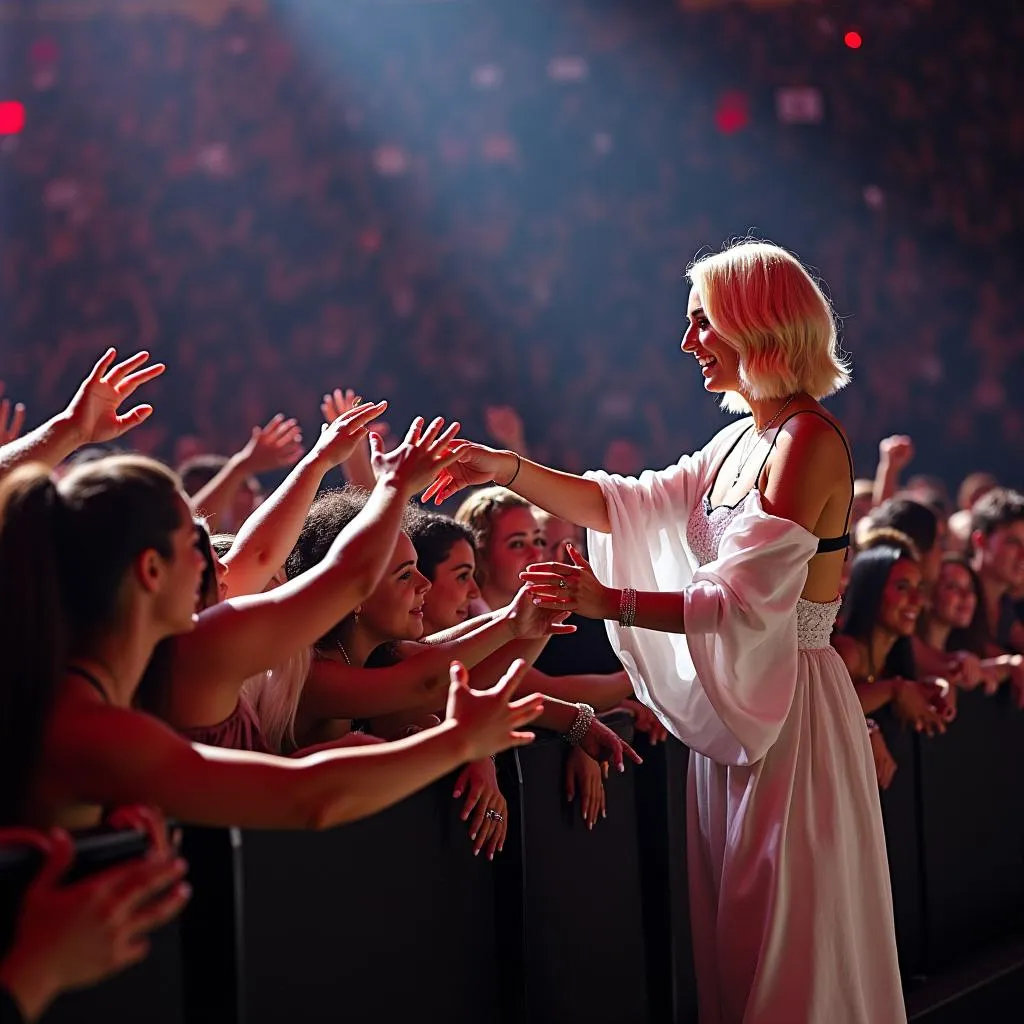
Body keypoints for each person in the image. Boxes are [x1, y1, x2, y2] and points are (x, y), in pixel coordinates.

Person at [426, 240, 905, 1023]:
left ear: (758, 325)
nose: (688, 343)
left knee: (792, 948)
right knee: (739, 945)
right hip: (736, 713)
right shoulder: (740, 439)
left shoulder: (809, 441)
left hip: (791, 717)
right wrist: (505, 467)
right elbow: (624, 503)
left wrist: (604, 599)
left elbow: (743, 603)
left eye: (702, 323)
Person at [0, 411, 545, 834]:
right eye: (192, 542)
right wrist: (394, 487)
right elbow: (309, 798)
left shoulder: (137, 663)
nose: (215, 555)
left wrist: (322, 459)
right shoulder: (104, 721)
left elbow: (260, 556)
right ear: (148, 570)